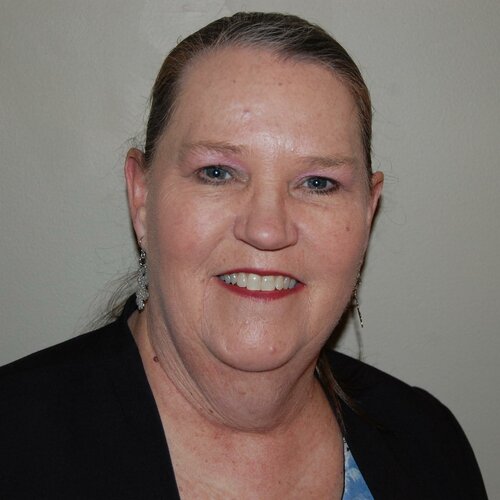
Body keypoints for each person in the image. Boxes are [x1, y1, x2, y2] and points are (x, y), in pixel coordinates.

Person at [0, 12, 487, 500]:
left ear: (367, 211)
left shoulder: (429, 444)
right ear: (142, 196)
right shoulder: (15, 443)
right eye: (217, 172)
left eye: (318, 182)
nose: (267, 230)